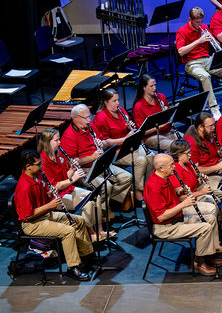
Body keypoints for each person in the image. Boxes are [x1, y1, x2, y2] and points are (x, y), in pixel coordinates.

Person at [14, 150, 94, 281]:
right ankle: (72, 268)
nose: (41, 166)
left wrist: (49, 195)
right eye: (39, 164)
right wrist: (50, 205)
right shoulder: (24, 187)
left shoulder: (38, 176)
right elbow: (28, 216)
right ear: (28, 166)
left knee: (78, 220)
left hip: (45, 215)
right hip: (33, 224)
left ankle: (87, 256)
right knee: (68, 231)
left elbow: (42, 197)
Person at [143, 153, 222, 276]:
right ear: (161, 168)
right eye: (171, 165)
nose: (174, 167)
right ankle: (199, 263)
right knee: (205, 227)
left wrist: (179, 190)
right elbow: (161, 216)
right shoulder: (154, 187)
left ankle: (208, 254)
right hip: (167, 228)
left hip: (177, 218)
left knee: (210, 218)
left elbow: (169, 197)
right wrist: (184, 204)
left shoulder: (163, 177)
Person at [62, 103, 133, 209]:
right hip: (84, 170)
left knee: (127, 177)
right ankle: (103, 212)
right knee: (106, 186)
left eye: (89, 116)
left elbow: (103, 144)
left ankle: (110, 203)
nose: (89, 120)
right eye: (86, 117)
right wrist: (91, 157)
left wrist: (101, 144)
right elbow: (70, 162)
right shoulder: (69, 136)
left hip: (100, 163)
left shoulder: (90, 127)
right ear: (76, 118)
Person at [37, 128, 102, 240]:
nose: (60, 143)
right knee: (88, 204)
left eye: (59, 139)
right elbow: (54, 186)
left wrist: (72, 170)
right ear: (47, 142)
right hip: (56, 196)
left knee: (97, 197)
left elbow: (64, 176)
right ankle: (90, 233)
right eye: (56, 140)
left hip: (68, 189)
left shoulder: (58, 154)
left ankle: (100, 230)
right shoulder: (42, 161)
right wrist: (73, 179)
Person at [176, 6, 222, 119]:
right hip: (192, 63)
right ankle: (214, 108)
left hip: (207, 60)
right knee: (206, 76)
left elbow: (213, 45)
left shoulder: (204, 27)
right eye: (197, 22)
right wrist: (199, 41)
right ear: (190, 19)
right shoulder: (181, 31)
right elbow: (181, 52)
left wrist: (212, 41)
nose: (199, 24)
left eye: (201, 21)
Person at [93, 88, 153, 194]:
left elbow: (128, 128)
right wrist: (125, 139)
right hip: (116, 151)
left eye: (118, 100)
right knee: (141, 160)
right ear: (106, 102)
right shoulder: (101, 118)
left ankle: (148, 187)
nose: (118, 103)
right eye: (114, 101)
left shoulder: (121, 110)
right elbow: (105, 143)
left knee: (151, 156)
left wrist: (131, 127)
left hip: (129, 145)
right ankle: (138, 190)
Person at [132, 74, 174, 151]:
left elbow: (170, 116)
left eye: (155, 85)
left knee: (185, 142)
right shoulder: (138, 106)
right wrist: (159, 127)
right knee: (175, 146)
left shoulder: (161, 97)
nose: (154, 88)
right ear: (144, 88)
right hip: (151, 137)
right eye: (151, 86)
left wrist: (167, 113)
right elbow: (141, 133)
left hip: (167, 131)